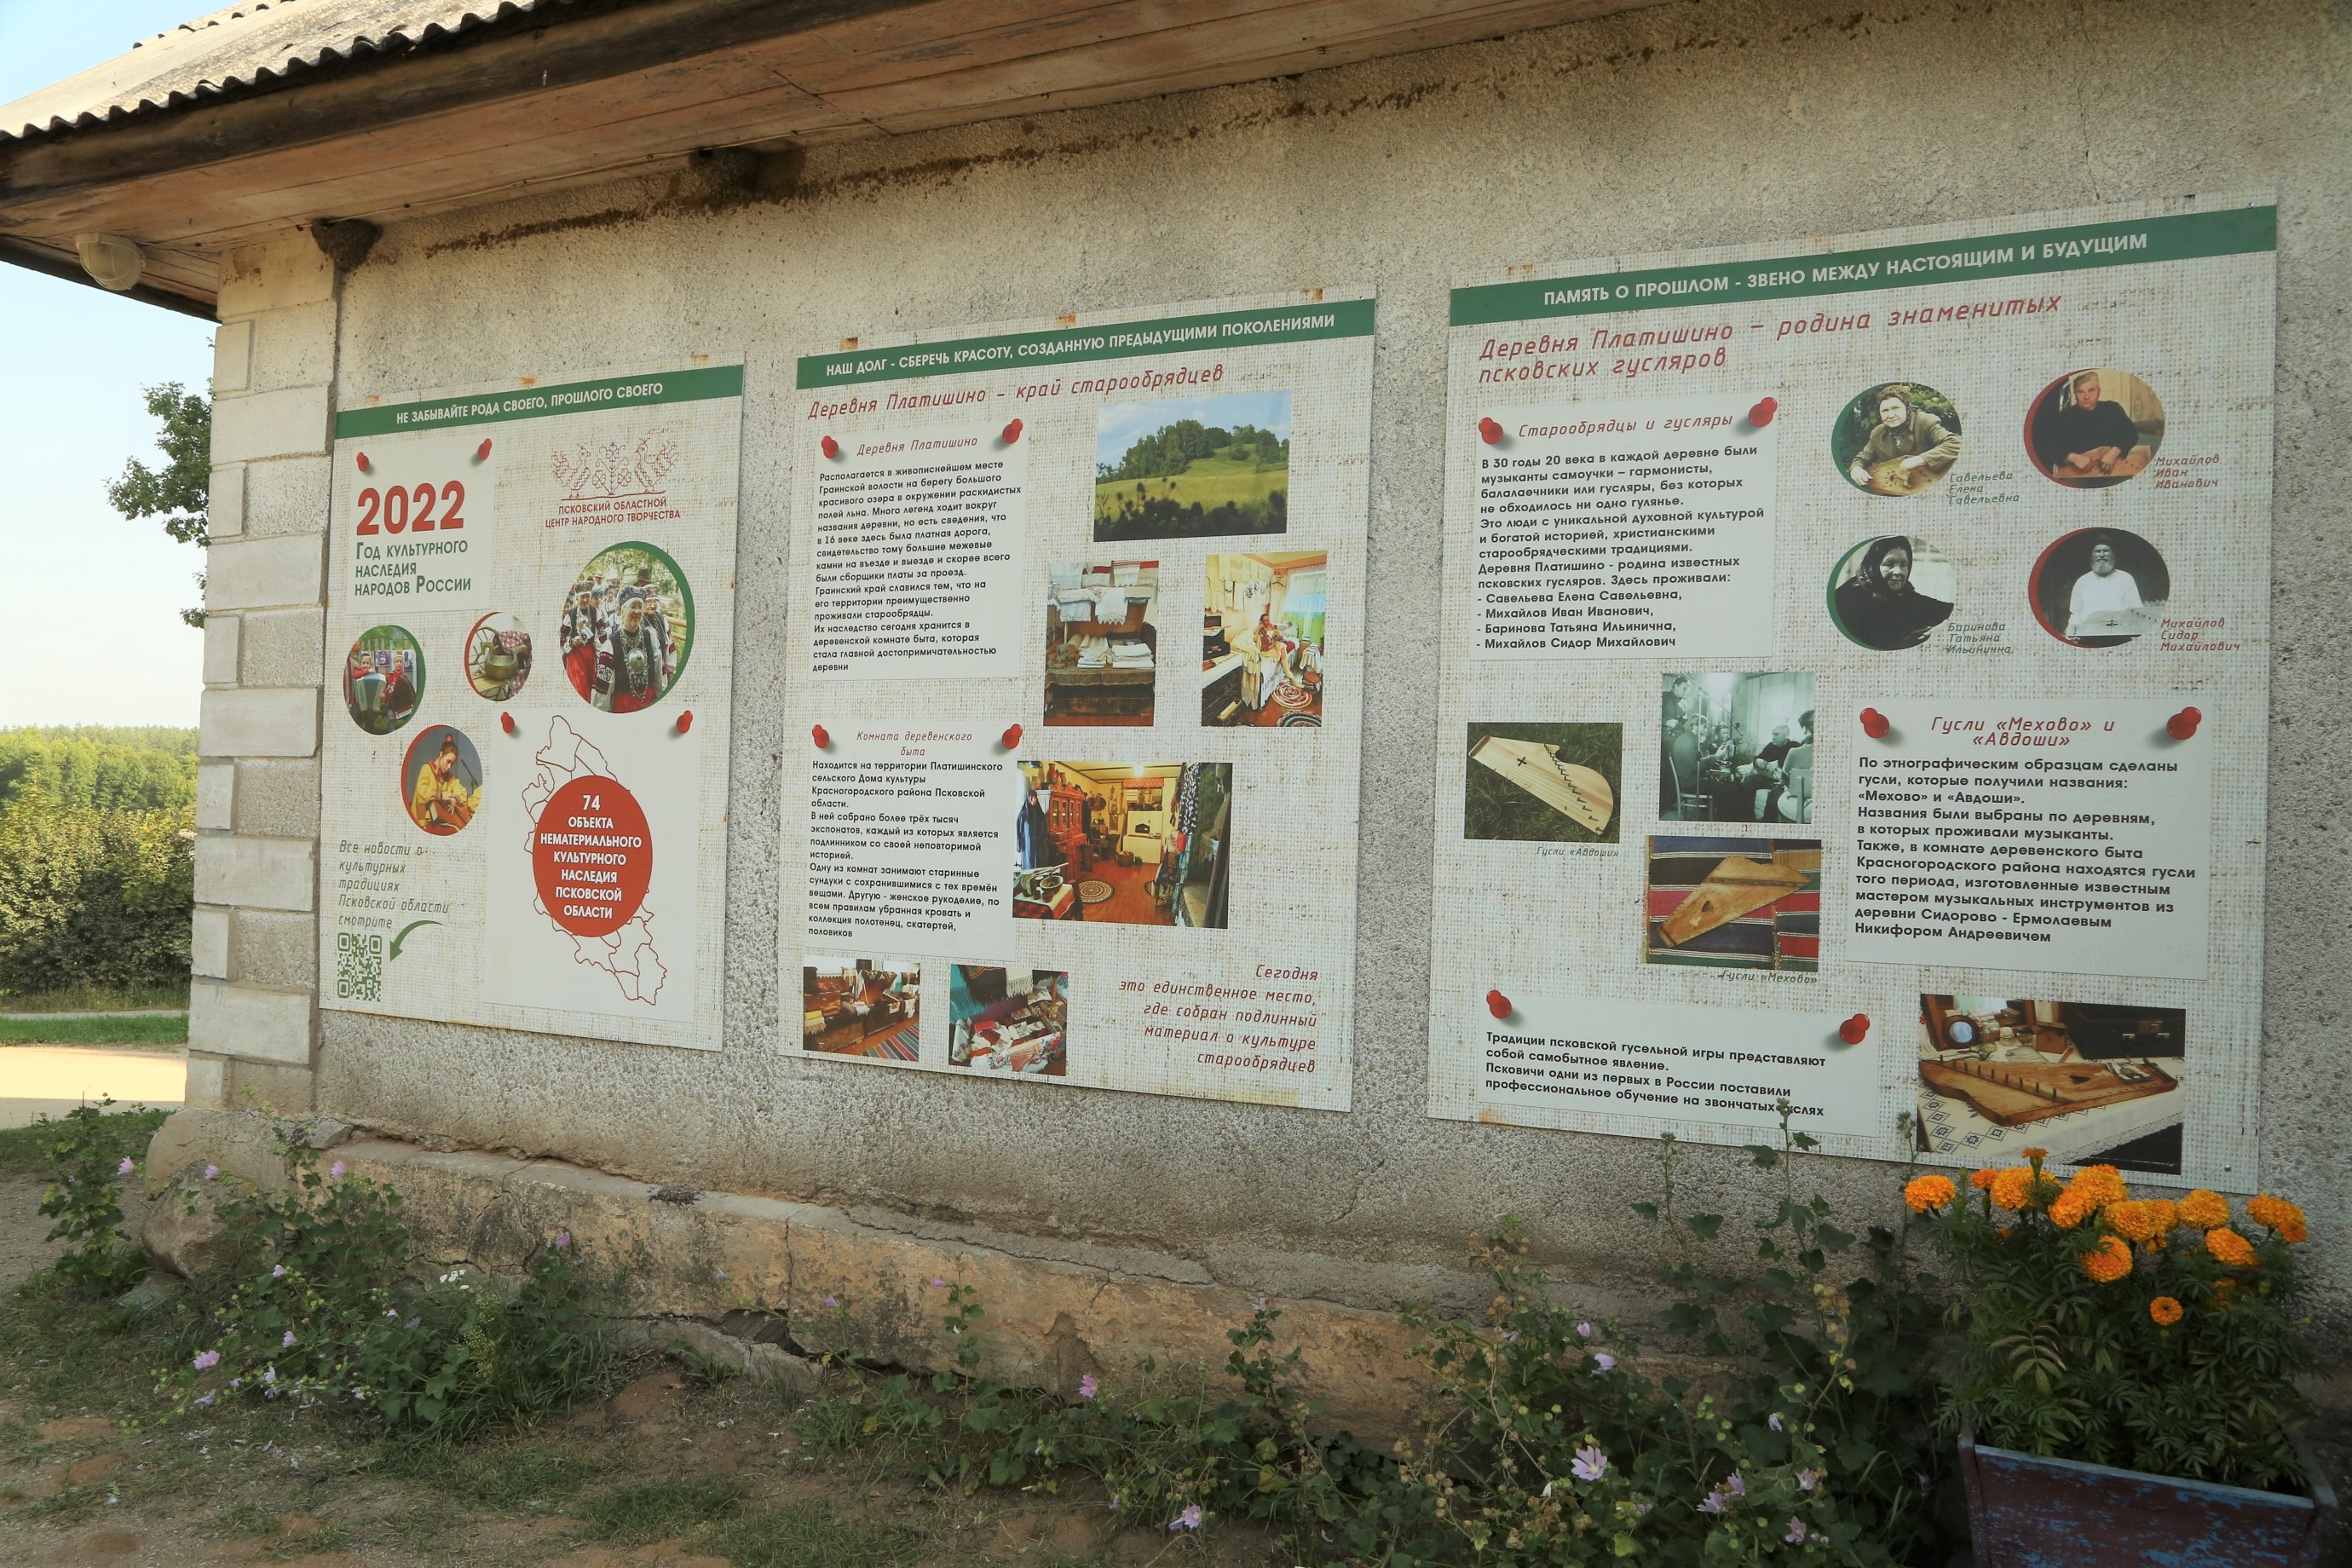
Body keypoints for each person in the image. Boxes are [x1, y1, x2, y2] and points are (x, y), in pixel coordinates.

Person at [1833, 536, 1952, 650]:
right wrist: (1901, 644)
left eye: (1903, 565)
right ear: (1874, 566)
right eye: (1889, 564)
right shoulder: (1847, 598)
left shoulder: (1905, 596)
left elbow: (1940, 609)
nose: (1898, 572)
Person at [1847, 387, 1961, 490]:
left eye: (1896, 408)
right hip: (1896, 490)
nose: (1891, 415)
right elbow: (1862, 458)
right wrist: (1856, 469)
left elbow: (1956, 443)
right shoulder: (1878, 433)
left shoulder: (1924, 421)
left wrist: (1916, 460)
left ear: (1907, 408)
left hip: (1930, 485)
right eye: (1885, 411)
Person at [2038, 372, 2145, 479]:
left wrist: (2115, 452)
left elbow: (2131, 433)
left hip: (2114, 474)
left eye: (2091, 390)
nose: (2086, 396)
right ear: (2075, 394)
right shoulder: (2064, 417)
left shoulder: (2112, 409)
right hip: (2078, 478)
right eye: (2081, 392)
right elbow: (2051, 445)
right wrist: (2072, 457)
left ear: (2099, 391)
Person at [597, 588, 670, 712]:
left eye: (640, 607)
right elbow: (603, 688)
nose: (637, 611)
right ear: (622, 611)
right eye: (633, 607)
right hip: (623, 707)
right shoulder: (611, 645)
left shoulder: (650, 637)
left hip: (650, 702)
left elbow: (659, 674)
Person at [2065, 535, 2144, 638]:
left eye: (2106, 551)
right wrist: (2072, 633)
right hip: (2089, 635)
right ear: (2091, 556)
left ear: (2113, 555)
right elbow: (2076, 613)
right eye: (2097, 551)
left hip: (2119, 635)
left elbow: (2136, 610)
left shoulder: (2126, 579)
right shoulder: (2082, 581)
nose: (2102, 555)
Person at [561, 582, 602, 700]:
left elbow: (601, 636)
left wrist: (601, 655)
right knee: (579, 687)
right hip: (576, 655)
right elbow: (562, 637)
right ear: (577, 598)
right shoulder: (571, 614)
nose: (585, 600)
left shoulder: (595, 613)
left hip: (590, 655)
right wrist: (572, 642)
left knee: (590, 688)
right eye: (582, 597)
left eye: (587, 597)